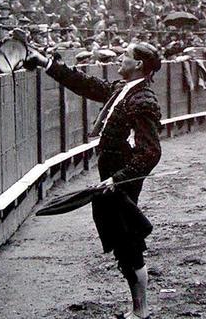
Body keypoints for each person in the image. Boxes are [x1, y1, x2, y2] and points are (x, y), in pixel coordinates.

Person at [24, 42, 163, 319]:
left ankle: (141, 310)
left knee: (128, 239)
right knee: (121, 239)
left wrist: (118, 179)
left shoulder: (142, 99)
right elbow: (84, 84)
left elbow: (151, 152)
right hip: (112, 173)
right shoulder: (121, 91)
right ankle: (138, 308)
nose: (120, 59)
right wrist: (46, 63)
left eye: (126, 56)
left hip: (121, 177)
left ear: (138, 65)